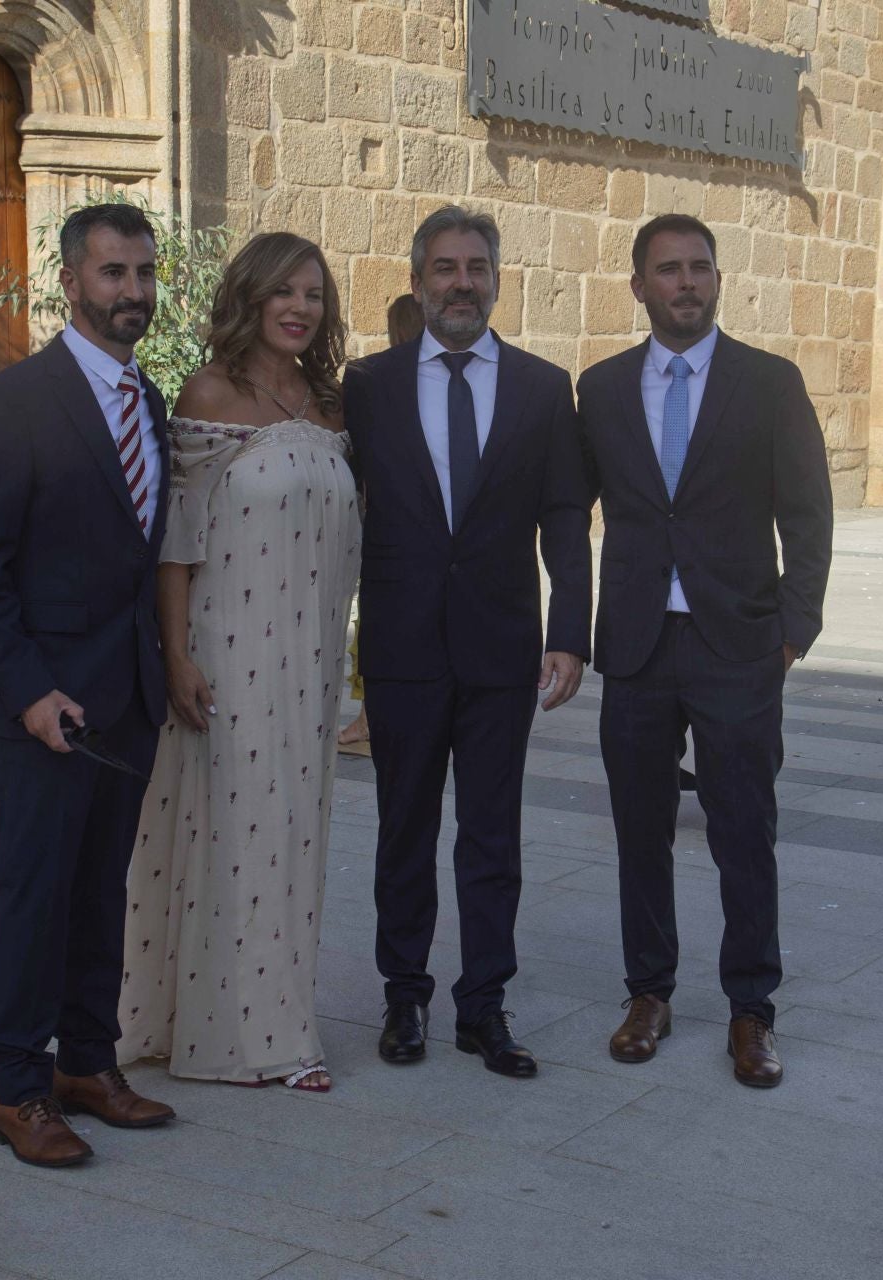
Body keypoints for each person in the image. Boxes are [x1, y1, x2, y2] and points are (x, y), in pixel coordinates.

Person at [575, 214, 833, 1088]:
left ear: (718, 280)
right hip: (640, 647)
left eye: (698, 268)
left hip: (738, 645)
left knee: (743, 833)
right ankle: (648, 995)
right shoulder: (602, 389)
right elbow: (569, 511)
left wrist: (794, 629)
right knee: (640, 831)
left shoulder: (768, 383)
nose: (685, 283)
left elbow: (808, 511)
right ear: (638, 286)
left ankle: (751, 1012)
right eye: (667, 270)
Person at [0, 204, 176, 1168]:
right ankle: (17, 1090)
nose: (133, 292)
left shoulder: (148, 399)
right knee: (35, 896)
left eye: (144, 274)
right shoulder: (18, 399)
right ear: (72, 280)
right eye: (114, 273)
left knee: (100, 894)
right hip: (43, 707)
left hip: (126, 698)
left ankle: (88, 1063)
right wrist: (33, 691)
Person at [344, 206, 592, 1077]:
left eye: (475, 268)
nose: (460, 283)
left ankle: (483, 1006)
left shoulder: (540, 386)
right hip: (403, 649)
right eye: (444, 268)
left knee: (492, 836)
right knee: (402, 829)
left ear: (496, 279)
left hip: (500, 652)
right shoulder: (367, 387)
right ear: (417, 282)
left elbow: (565, 515)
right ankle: (404, 998)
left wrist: (570, 633)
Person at [117, 232, 358, 1092]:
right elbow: (176, 543)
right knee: (233, 831)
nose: (300, 308)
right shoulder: (210, 392)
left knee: (292, 834)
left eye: (314, 294)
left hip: (309, 658)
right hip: (231, 654)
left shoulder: (329, 405)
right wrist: (176, 654)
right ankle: (259, 1040)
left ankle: (259, 1011)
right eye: (284, 292)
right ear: (251, 298)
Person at [338, 293, 426, 759]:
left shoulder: (371, 380)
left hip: (382, 529)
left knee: (375, 625)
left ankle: (371, 717)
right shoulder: (377, 379)